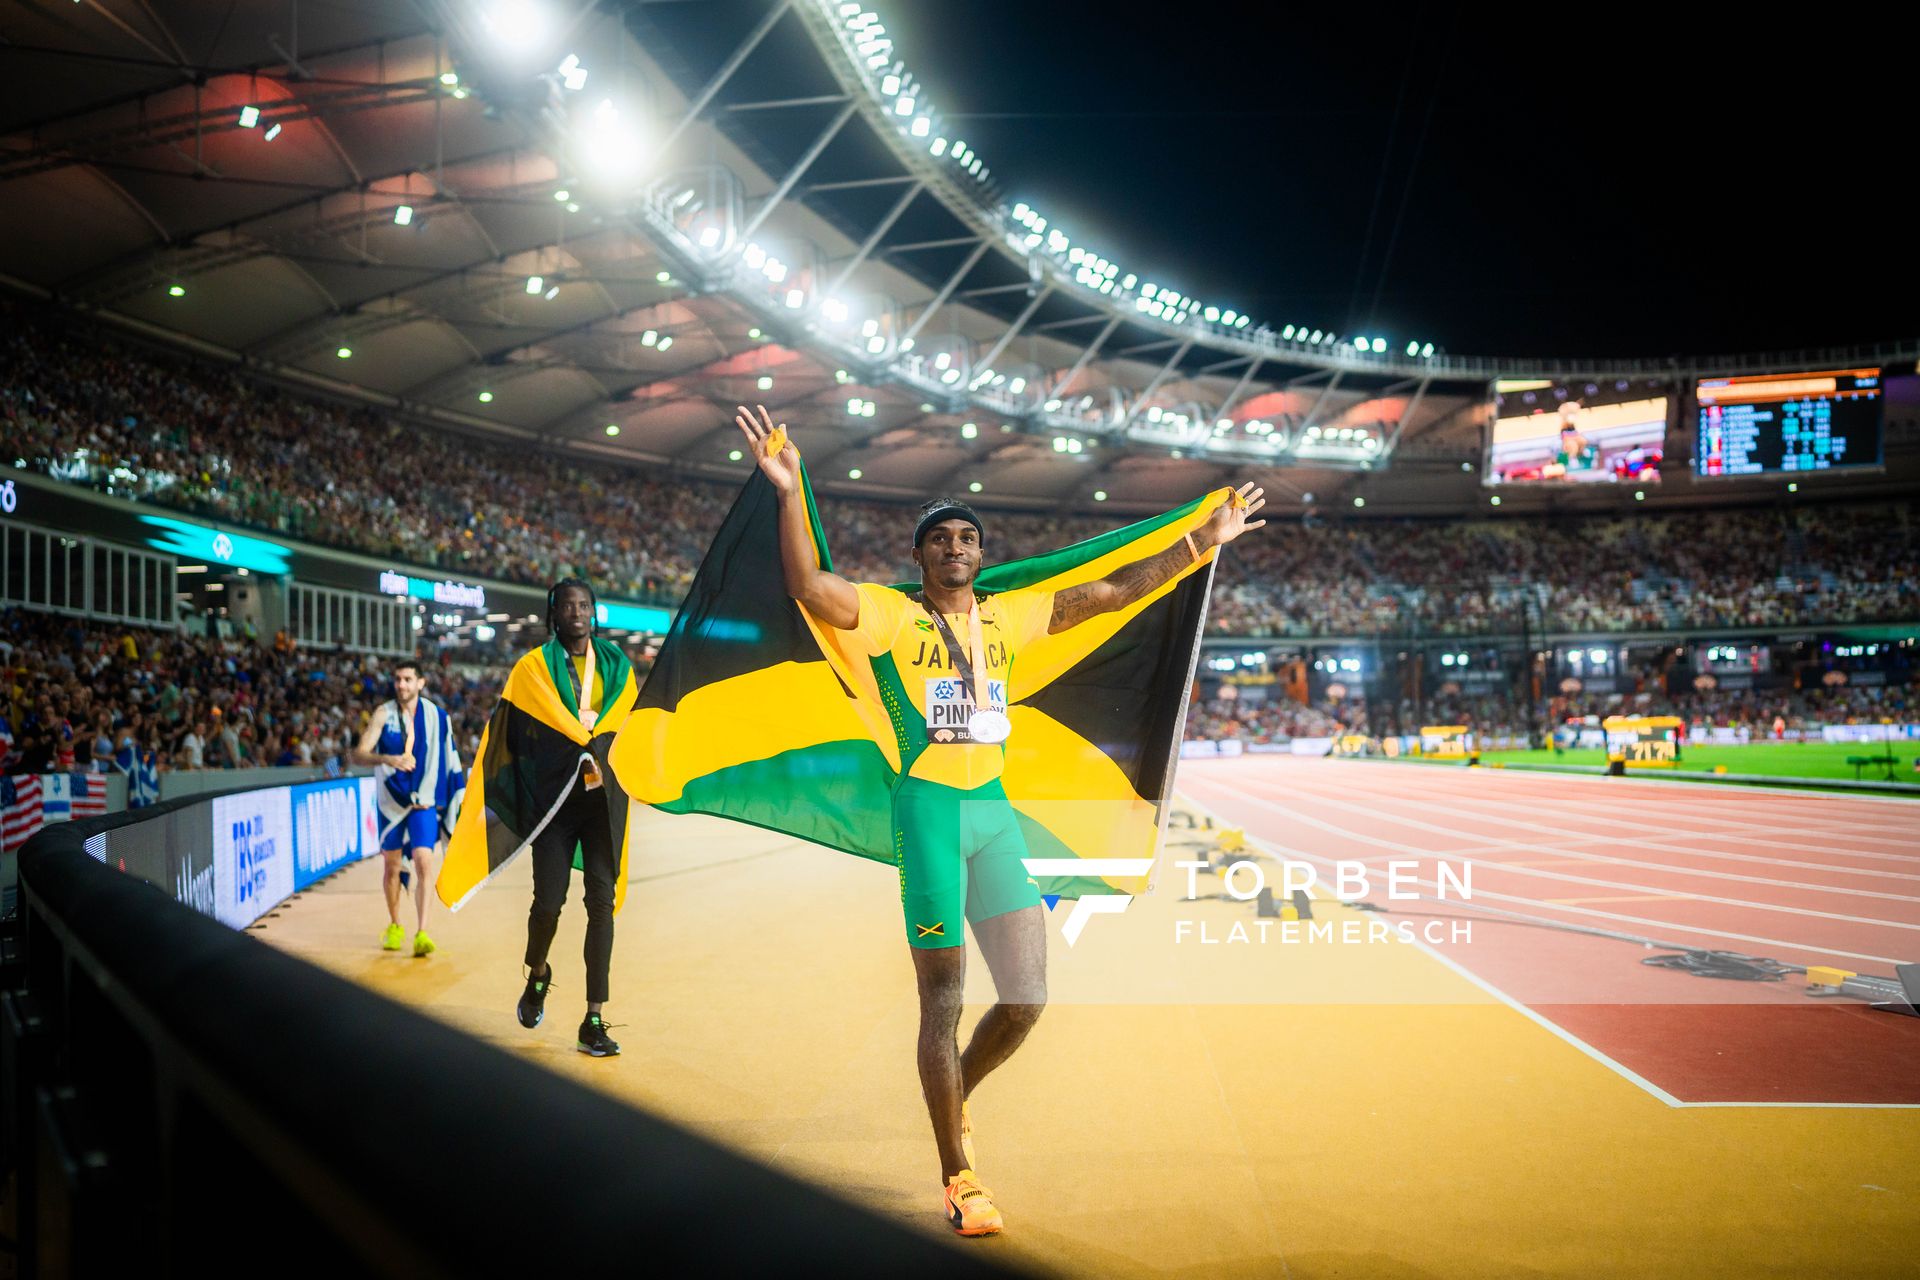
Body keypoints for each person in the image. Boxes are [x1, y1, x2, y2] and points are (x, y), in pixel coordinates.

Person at [734, 404, 1266, 1236]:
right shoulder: (888, 615)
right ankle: (958, 1175)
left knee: (1025, 1001)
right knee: (942, 1003)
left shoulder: (1005, 619)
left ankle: (954, 1099)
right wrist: (787, 489)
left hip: (993, 814)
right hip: (931, 815)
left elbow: (1114, 590)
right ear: (920, 556)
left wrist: (1206, 541)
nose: (956, 549)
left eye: (968, 540)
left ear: (982, 557)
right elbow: (808, 586)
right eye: (941, 539)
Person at [350, 659, 465, 957]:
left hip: (424, 800)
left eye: (408, 679)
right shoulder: (383, 714)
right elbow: (359, 755)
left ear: (421, 682)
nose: (402, 684)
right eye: (398, 679)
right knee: (391, 867)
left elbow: (450, 756)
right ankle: (395, 924)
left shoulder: (437, 717)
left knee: (425, 862)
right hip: (391, 802)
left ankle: (422, 931)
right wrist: (388, 759)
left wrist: (452, 795)